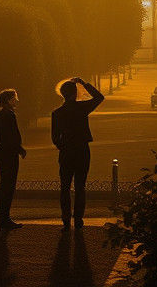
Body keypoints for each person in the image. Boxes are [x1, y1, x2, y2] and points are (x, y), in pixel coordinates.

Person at [51, 76, 104, 229]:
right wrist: (83, 83)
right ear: (75, 93)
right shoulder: (82, 108)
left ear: (62, 94)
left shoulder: (57, 113)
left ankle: (66, 220)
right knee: (80, 187)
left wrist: (63, 146)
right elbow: (99, 97)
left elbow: (55, 137)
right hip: (81, 150)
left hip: (67, 151)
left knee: (65, 187)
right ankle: (79, 219)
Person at [0, 88, 26, 230]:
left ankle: (2, 218)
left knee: (5, 186)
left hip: (5, 154)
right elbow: (11, 137)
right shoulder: (9, 115)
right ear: (9, 100)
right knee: (8, 186)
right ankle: (4, 219)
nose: (16, 100)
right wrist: (19, 149)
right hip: (9, 155)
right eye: (14, 98)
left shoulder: (1, 115)